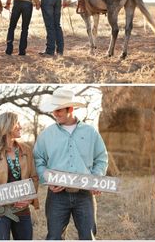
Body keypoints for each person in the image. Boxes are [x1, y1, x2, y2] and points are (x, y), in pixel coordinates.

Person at [33, 88, 108, 240]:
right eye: (54, 110)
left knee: (88, 236)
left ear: (71, 109)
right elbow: (38, 160)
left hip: (84, 194)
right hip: (57, 196)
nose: (55, 113)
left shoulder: (90, 132)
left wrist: (96, 179)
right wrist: (47, 178)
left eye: (59, 110)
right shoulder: (47, 134)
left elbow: (101, 158)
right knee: (54, 237)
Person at [0, 112, 39, 240]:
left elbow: (34, 178)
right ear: (7, 126)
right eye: (17, 123)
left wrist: (29, 198)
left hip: (22, 211)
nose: (20, 126)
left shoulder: (27, 150)